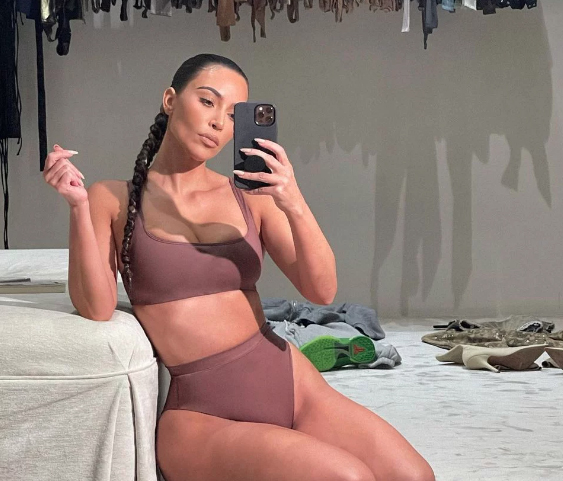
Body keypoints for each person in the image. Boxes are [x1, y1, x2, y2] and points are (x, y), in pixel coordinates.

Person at [43, 54, 435, 481]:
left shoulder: (250, 197)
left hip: (289, 384)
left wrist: (293, 200)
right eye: (207, 101)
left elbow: (322, 290)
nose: (217, 122)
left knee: (415, 477)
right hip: (203, 416)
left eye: (232, 115)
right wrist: (78, 208)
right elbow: (96, 307)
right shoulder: (112, 198)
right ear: (170, 100)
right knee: (348, 478)